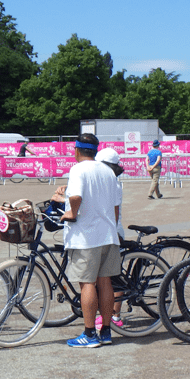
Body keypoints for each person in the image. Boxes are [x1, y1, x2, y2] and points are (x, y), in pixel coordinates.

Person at [60, 134, 122, 348]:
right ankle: (105, 331)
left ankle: (89, 334)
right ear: (95, 150)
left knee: (87, 283)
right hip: (108, 234)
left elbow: (75, 196)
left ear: (76, 150)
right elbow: (116, 207)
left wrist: (71, 213)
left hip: (86, 236)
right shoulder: (107, 171)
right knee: (105, 283)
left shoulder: (78, 169)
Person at [93, 148, 126, 334]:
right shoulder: (109, 181)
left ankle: (115, 315)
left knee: (114, 277)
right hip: (110, 231)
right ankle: (109, 313)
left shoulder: (111, 183)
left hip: (113, 233)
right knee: (107, 276)